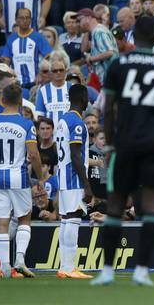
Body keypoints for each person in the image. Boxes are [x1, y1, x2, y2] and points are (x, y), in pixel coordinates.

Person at [92, 16, 154, 287]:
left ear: (133, 38)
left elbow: (107, 107)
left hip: (125, 142)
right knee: (151, 208)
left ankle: (107, 270)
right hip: (153, 142)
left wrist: (108, 144)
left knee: (116, 205)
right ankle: (142, 270)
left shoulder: (118, 64)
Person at [0, 83, 44, 278]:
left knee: (2, 220)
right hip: (19, 176)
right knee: (24, 217)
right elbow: (33, 154)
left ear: (3, 99)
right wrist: (40, 177)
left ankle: (5, 267)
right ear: (20, 101)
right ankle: (20, 259)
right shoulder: (25, 124)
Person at [54, 84, 93, 279]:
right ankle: (69, 268)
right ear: (82, 98)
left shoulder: (62, 120)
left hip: (63, 177)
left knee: (66, 219)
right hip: (73, 178)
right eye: (86, 97)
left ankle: (64, 266)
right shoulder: (76, 122)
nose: (88, 101)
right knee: (74, 217)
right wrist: (86, 184)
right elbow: (76, 155)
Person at [0, 8, 52, 87]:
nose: (25, 20)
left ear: (31, 20)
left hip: (35, 83)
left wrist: (41, 73)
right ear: (16, 20)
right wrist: (1, 61)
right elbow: (7, 60)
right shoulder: (11, 39)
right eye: (21, 18)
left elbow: (49, 56)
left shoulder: (38, 37)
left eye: (27, 18)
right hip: (15, 83)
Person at [77, 8, 119, 81]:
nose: (78, 24)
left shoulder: (99, 32)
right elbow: (84, 49)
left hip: (108, 78)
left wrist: (91, 59)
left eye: (79, 20)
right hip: (106, 78)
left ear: (88, 18)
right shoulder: (96, 31)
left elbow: (109, 52)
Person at [35, 51, 71, 127]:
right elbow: (40, 116)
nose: (58, 73)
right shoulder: (43, 90)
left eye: (61, 70)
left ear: (66, 71)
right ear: (50, 72)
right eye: (55, 71)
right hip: (51, 136)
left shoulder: (73, 88)